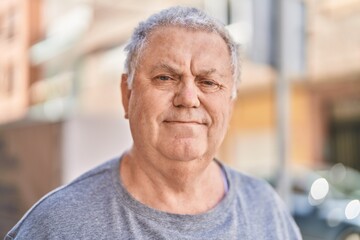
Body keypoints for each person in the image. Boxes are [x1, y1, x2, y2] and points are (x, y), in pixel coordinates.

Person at [5, 6, 301, 240]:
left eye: (208, 82)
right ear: (127, 95)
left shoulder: (266, 210)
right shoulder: (57, 225)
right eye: (165, 78)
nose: (188, 98)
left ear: (230, 105)